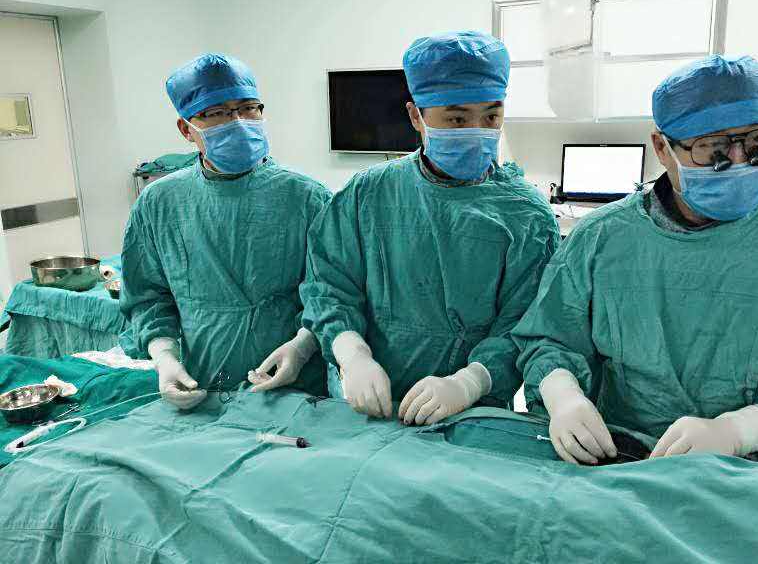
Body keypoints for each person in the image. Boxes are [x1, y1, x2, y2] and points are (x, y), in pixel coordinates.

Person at [513, 55, 758, 464]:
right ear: (662, 148)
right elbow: (550, 338)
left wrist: (747, 428)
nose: (739, 161)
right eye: (713, 148)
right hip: (622, 461)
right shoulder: (601, 238)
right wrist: (563, 395)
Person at [300, 31, 560, 424]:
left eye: (491, 116)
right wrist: (353, 355)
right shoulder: (367, 194)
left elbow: (527, 322)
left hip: (469, 414)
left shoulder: (526, 215)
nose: (477, 130)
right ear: (415, 117)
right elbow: (329, 285)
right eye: (457, 118)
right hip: (370, 405)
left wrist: (469, 382)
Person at [121, 53, 329, 409]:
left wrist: (303, 345)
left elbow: (333, 291)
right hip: (202, 387)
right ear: (186, 129)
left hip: (297, 389)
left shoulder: (308, 198)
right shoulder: (159, 203)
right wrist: (165, 358)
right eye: (216, 113)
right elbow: (147, 298)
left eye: (248, 109)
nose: (237, 122)